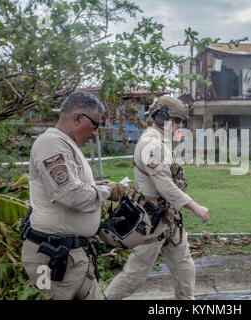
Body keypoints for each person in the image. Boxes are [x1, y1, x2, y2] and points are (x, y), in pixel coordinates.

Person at [21, 91, 125, 300]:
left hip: (70, 256)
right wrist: (107, 191)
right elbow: (70, 194)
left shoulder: (66, 145)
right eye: (95, 125)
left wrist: (98, 186)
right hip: (53, 257)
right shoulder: (51, 144)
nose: (95, 132)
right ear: (78, 118)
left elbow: (73, 184)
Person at [104, 96, 209, 300]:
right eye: (177, 120)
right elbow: (165, 185)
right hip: (150, 221)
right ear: (162, 118)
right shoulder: (152, 145)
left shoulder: (159, 142)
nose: (180, 126)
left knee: (184, 265)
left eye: (182, 122)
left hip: (166, 219)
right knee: (135, 275)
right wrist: (194, 206)